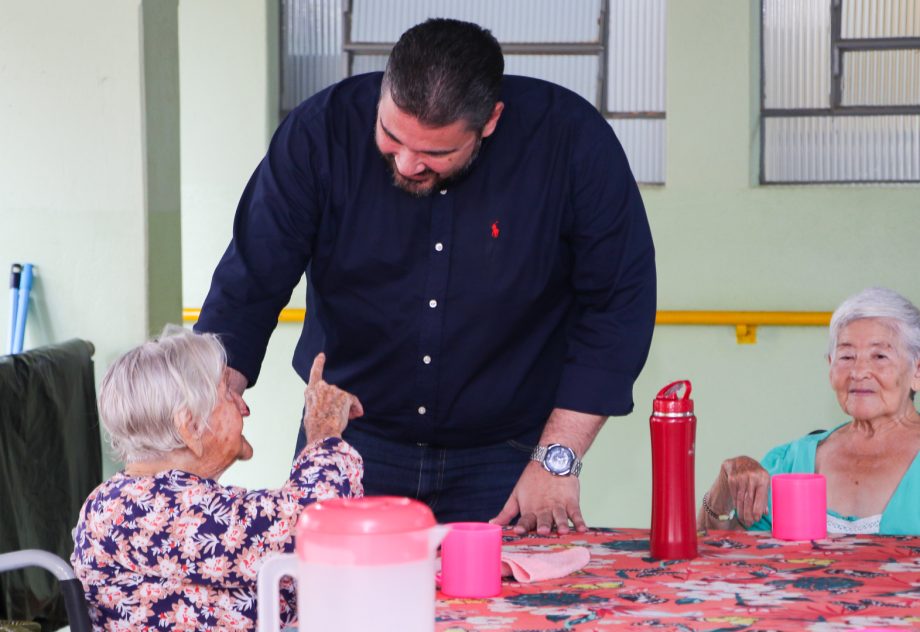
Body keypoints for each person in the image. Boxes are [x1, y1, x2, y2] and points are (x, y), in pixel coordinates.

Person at [195, 18, 656, 534]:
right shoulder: (319, 133)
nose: (409, 163)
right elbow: (249, 283)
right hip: (350, 444)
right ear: (384, 92)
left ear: (490, 121)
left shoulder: (571, 142)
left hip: (508, 458)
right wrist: (207, 403)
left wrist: (558, 459)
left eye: (435, 153)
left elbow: (618, 304)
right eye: (392, 137)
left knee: (508, 612)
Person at [71, 326, 363, 630]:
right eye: (227, 392)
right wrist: (323, 431)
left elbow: (282, 571)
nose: (243, 406)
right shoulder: (141, 507)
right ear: (191, 426)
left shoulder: (144, 500)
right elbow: (312, 529)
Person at [699, 287, 920, 535]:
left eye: (879, 356)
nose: (858, 372)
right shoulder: (793, 460)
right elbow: (721, 549)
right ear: (830, 366)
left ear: (917, 371)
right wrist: (724, 485)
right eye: (846, 356)